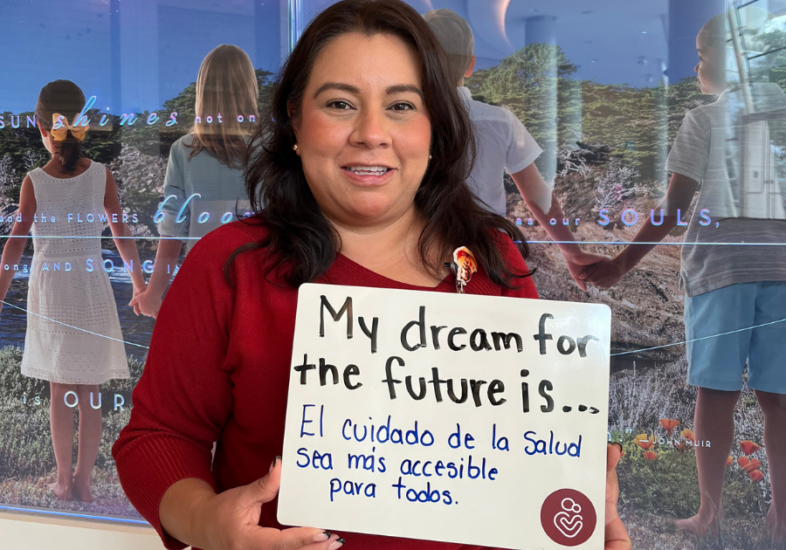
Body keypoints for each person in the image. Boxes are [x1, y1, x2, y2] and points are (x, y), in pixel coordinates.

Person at [112, 2, 630, 550]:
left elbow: (523, 461)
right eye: (339, 103)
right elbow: (159, 437)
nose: (371, 133)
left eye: (402, 105)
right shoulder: (231, 265)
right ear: (294, 119)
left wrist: (580, 519)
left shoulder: (494, 260)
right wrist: (207, 522)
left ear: (435, 127)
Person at [581, 10, 786, 542]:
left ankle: (710, 514)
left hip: (721, 272)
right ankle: (780, 519)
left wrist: (620, 264)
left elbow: (673, 209)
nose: (696, 64)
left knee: (715, 392)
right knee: (779, 399)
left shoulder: (706, 119)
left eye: (703, 53)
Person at [0, 80, 146, 502]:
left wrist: (1, 288)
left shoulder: (34, 181)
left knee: (60, 389)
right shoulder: (101, 175)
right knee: (90, 390)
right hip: (91, 284)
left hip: (51, 288)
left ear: (40, 126)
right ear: (82, 126)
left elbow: (15, 243)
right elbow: (122, 234)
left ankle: (64, 481)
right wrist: (138, 283)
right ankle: (82, 480)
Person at [424, 9, 605, 292]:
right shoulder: (501, 121)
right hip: (486, 255)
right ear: (471, 65)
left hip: (419, 251)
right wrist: (573, 252)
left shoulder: (404, 119)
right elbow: (538, 197)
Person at [131, 44, 258, 319]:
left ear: (203, 91)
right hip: (258, 281)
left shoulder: (183, 149)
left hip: (202, 283)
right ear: (249, 87)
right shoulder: (271, 148)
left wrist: (153, 294)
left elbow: (173, 230)